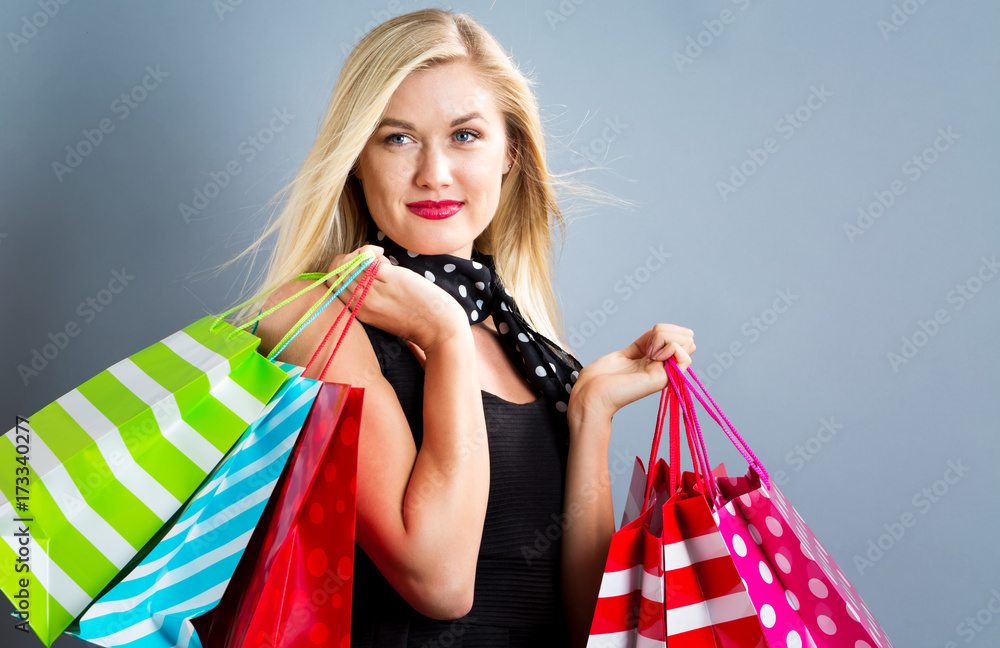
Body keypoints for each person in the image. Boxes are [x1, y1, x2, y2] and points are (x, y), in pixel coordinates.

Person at [237, 8, 695, 646]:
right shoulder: (311, 319)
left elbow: (592, 628)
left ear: (510, 154)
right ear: (355, 162)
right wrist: (447, 337)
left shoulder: (533, 350)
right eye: (397, 138)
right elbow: (439, 582)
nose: (434, 172)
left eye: (465, 136)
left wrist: (590, 414)